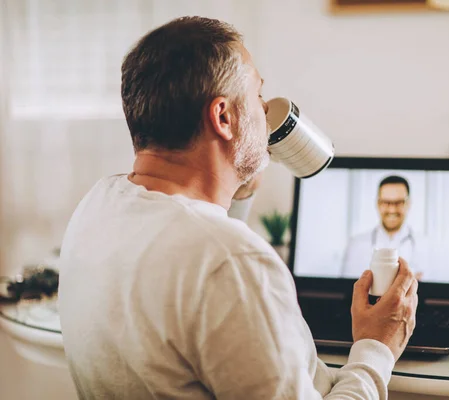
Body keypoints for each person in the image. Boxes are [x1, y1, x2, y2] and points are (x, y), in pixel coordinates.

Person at [57, 16, 418, 399]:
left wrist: (236, 186)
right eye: (258, 97)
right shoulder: (233, 263)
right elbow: (214, 255)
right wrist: (375, 347)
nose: (265, 112)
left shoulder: (96, 205)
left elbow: (193, 236)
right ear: (224, 117)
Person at [341, 176, 425, 280]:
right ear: (378, 203)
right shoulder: (356, 244)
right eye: (386, 202)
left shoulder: (426, 245)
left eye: (399, 202)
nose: (392, 209)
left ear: (408, 204)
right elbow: (347, 289)